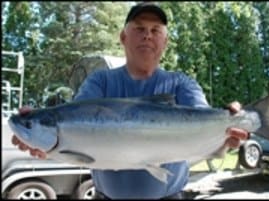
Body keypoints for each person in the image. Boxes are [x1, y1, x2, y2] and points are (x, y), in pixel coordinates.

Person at [12, 2, 248, 199]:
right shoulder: (100, 81)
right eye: (139, 28)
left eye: (156, 30)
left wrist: (229, 130)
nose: (147, 34)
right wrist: (36, 139)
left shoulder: (182, 83)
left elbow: (204, 119)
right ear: (123, 37)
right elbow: (76, 111)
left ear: (165, 42)